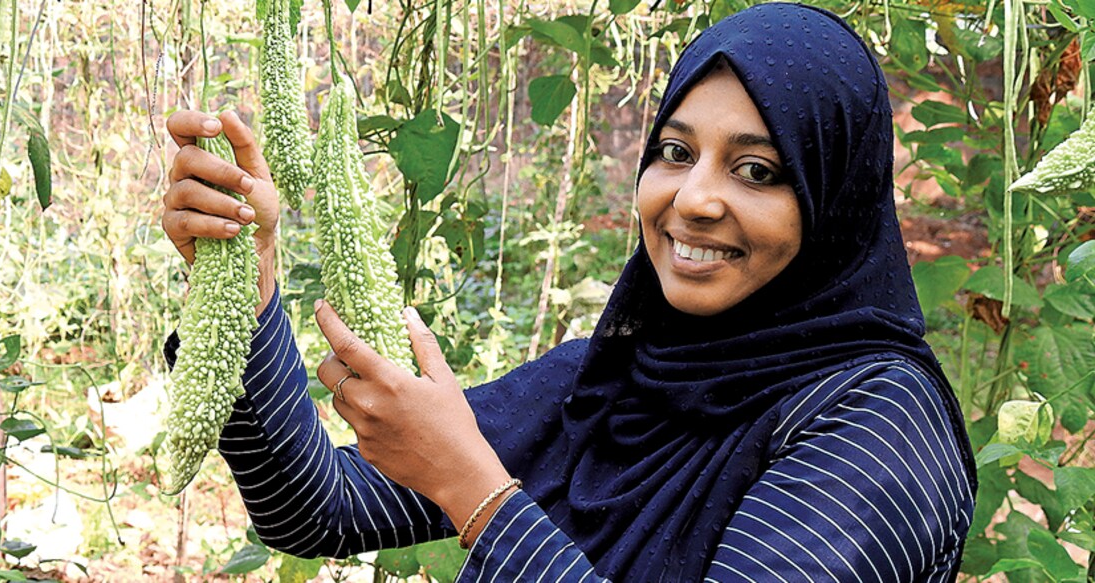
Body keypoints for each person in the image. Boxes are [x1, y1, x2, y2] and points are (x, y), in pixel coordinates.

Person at [162, 3, 977, 581]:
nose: (693, 197)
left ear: (834, 201)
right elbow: (316, 508)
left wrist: (472, 488)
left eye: (757, 169)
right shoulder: (611, 378)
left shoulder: (879, 428)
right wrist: (249, 279)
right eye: (674, 151)